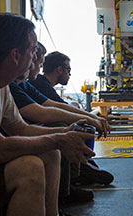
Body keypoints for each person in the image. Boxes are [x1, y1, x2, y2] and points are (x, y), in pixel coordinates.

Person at [0, 12, 95, 216]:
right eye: (33, 52)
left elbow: (20, 128)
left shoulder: (1, 85)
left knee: (50, 151)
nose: (35, 60)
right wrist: (57, 138)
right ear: (15, 55)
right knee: (29, 168)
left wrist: (63, 134)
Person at [28, 48, 114, 188]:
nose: (70, 73)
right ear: (59, 70)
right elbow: (52, 110)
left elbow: (57, 105)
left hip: (34, 128)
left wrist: (89, 117)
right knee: (68, 124)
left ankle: (82, 164)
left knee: (73, 112)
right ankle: (77, 173)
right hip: (33, 132)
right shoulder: (39, 83)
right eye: (68, 69)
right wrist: (90, 119)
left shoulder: (38, 85)